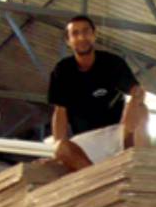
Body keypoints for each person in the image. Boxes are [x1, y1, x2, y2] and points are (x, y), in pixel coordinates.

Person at [48, 14, 149, 171]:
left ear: (94, 35)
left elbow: (137, 90)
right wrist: (57, 152)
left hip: (118, 133)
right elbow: (60, 112)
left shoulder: (113, 63)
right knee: (61, 147)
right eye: (75, 33)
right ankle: (96, 177)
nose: (82, 37)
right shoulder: (62, 70)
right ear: (68, 41)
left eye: (86, 31)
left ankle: (141, 167)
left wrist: (135, 102)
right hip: (86, 142)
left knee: (142, 110)